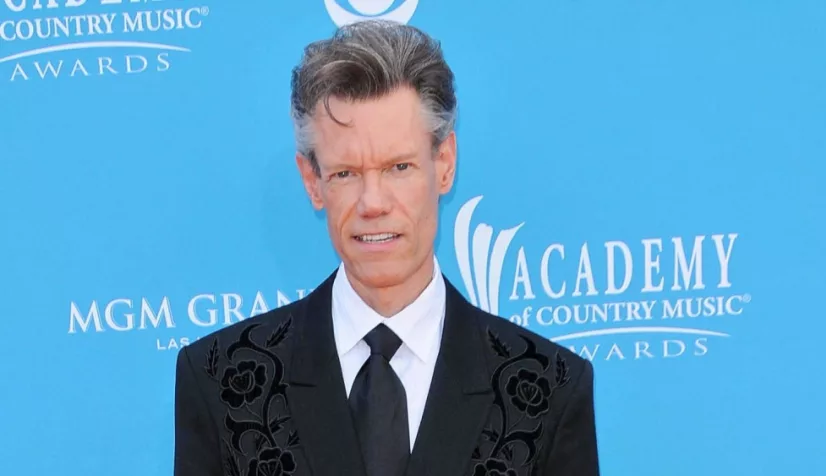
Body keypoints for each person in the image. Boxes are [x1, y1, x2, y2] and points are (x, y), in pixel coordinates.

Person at [173, 20, 599, 476]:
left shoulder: (547, 387)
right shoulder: (222, 382)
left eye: (398, 166)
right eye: (345, 173)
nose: (372, 203)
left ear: (445, 164)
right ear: (313, 182)